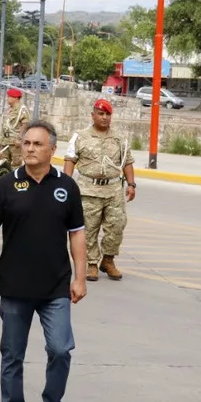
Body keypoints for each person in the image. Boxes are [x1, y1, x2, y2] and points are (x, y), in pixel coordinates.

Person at [0, 121, 87, 402]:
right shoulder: (5, 186)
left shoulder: (67, 186)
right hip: (14, 285)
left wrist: (80, 277)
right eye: (26, 143)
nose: (30, 148)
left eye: (37, 144)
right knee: (12, 353)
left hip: (56, 286)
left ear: (52, 149)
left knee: (61, 349)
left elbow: (77, 235)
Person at [62, 99, 136, 282]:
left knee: (117, 226)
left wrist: (131, 184)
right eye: (101, 114)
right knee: (88, 229)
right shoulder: (80, 136)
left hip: (113, 190)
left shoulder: (119, 138)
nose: (104, 117)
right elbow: (70, 160)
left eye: (107, 114)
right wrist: (66, 185)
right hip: (88, 190)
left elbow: (127, 161)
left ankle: (108, 260)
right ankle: (92, 264)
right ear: (93, 115)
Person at [0, 88, 30, 169]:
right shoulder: (8, 109)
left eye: (9, 97)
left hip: (15, 142)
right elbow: (4, 125)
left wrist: (20, 139)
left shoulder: (22, 110)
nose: (7, 98)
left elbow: (25, 124)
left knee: (16, 164)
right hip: (4, 141)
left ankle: (15, 180)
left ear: (15, 98)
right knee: (4, 164)